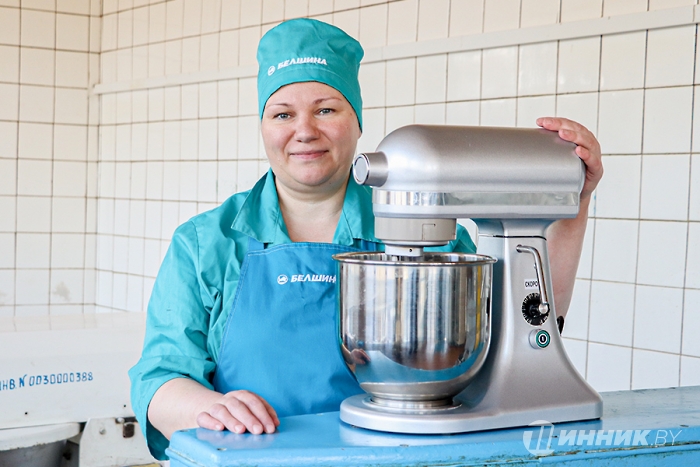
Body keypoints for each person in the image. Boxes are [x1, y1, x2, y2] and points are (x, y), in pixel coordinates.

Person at [129, 18, 603, 459]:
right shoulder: (205, 243)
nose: (304, 131)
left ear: (357, 121)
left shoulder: (425, 234)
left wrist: (572, 204)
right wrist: (207, 409)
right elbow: (160, 380)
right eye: (282, 114)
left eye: (326, 109)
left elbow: (524, 327)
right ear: (263, 127)